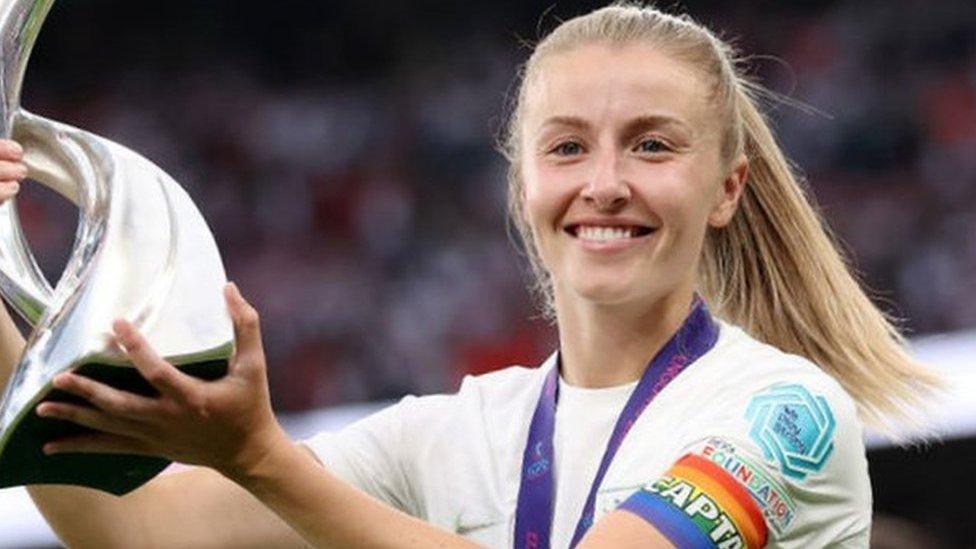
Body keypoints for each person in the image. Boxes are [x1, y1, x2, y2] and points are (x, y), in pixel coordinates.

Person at [0, 4, 941, 548]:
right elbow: (137, 530)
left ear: (727, 187)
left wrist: (261, 456)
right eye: (568, 146)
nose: (604, 183)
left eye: (652, 145)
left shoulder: (785, 411)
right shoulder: (452, 432)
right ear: (523, 176)